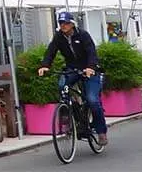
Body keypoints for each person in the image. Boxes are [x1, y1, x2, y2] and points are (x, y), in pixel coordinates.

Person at [37, 11, 107, 146]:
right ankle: (70, 112)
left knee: (93, 100)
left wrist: (91, 67)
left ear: (72, 24)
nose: (63, 25)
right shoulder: (59, 37)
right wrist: (45, 65)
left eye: (66, 23)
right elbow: (51, 51)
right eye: (61, 23)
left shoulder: (83, 35)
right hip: (72, 69)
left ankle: (101, 132)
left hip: (89, 70)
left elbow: (92, 52)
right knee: (62, 86)